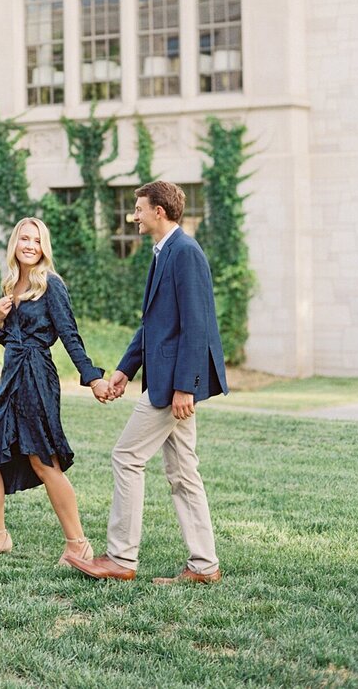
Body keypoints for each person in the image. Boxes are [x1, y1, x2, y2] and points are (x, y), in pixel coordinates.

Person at [67, 181, 228, 585]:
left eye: (138, 209)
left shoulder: (185, 253)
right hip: (165, 379)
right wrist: (124, 370)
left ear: (160, 211)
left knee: (126, 456)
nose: (133, 216)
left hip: (174, 385)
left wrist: (187, 386)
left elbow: (196, 325)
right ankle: (204, 566)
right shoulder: (163, 252)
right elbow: (154, 325)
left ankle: (121, 558)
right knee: (183, 473)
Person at [0, 217, 112, 563]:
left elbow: (70, 336)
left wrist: (92, 377)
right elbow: (9, 338)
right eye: (24, 239)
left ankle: (78, 543)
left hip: (36, 377)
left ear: (44, 247)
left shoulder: (51, 285)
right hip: (10, 376)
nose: (30, 245)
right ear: (14, 243)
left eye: (36, 240)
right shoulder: (12, 284)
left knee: (42, 460)